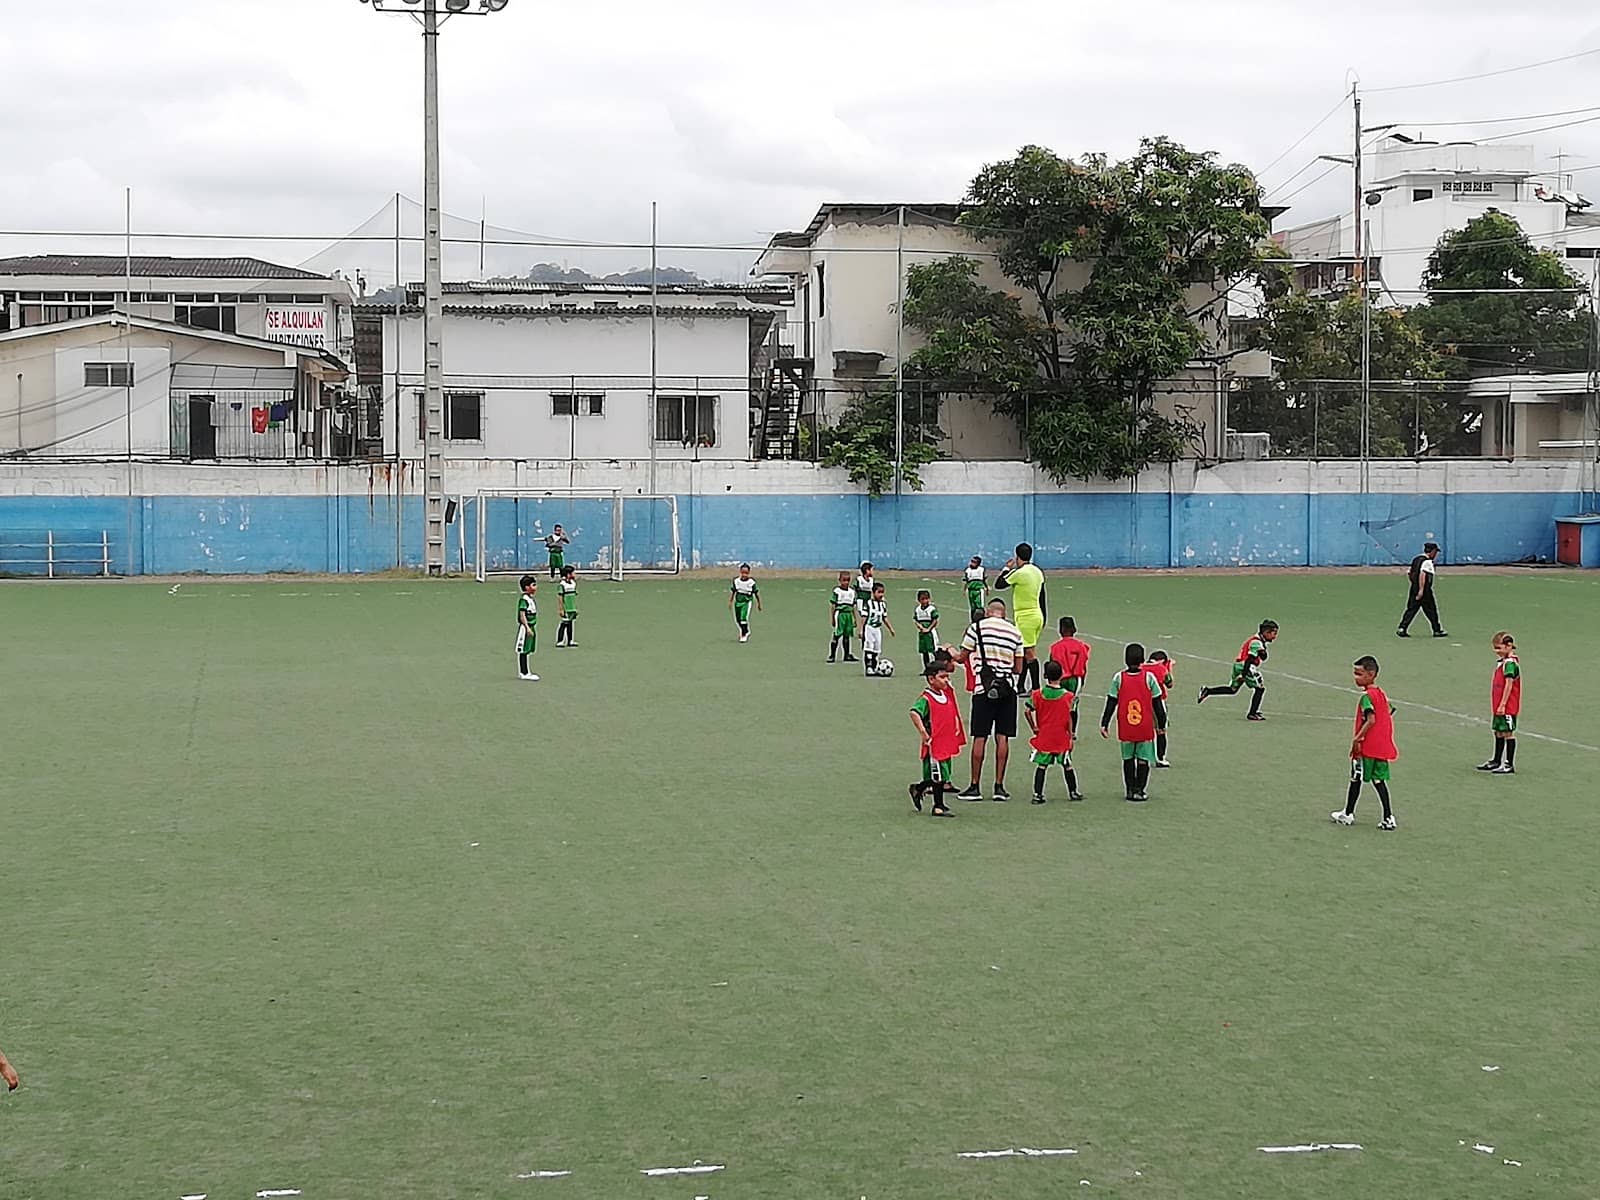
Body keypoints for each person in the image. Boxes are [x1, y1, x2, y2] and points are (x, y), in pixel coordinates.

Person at [952, 598, 1024, 801]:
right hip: (1007, 689)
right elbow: (1018, 668)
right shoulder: (1015, 632)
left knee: (980, 736)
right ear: (1004, 612)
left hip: (983, 688)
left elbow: (961, 657)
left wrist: (949, 650)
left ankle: (975, 786)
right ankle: (999, 787)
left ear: (987, 611)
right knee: (1003, 737)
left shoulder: (976, 628)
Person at [1332, 655, 1398, 830]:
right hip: (1381, 747)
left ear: (1371, 674)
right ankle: (1388, 817)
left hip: (1366, 747)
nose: (1356, 678)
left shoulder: (1366, 697)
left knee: (1356, 778)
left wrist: (1357, 738)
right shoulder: (1381, 695)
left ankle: (1348, 814)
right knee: (1379, 781)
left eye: (1359, 674)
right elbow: (1390, 711)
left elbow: (1371, 720)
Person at [1101, 643, 1167, 802]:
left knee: (1128, 759)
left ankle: (1130, 790)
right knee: (1143, 759)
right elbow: (1157, 703)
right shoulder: (1149, 678)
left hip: (1126, 726)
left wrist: (1104, 723)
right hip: (1144, 726)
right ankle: (1140, 790)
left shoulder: (1118, 678)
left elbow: (1111, 701)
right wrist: (1161, 724)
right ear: (1143, 659)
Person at [909, 660, 964, 818]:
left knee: (943, 774)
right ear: (931, 679)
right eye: (942, 677)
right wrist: (923, 733)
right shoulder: (926, 698)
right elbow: (914, 713)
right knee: (937, 775)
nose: (946, 680)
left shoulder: (945, 695)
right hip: (934, 744)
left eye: (947, 677)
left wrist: (955, 726)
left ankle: (918, 789)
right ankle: (938, 806)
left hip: (945, 741)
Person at [1025, 658, 1083, 804]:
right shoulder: (1069, 697)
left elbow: (1027, 711)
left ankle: (1037, 794)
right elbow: (1070, 717)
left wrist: (1034, 727)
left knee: (1042, 765)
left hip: (1045, 735)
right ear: (1062, 675)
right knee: (1067, 764)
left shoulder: (1037, 695)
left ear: (1045, 675)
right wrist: (1071, 735)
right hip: (1061, 736)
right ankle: (1073, 792)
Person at [1197, 619, 1279, 721]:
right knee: (1260, 689)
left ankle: (1207, 691)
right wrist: (1243, 675)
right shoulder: (1256, 643)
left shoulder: (1258, 641)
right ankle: (1252, 713)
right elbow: (1249, 659)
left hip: (1238, 665)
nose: (1275, 637)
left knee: (1232, 689)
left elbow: (1263, 657)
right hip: (1246, 666)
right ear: (1266, 632)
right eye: (1274, 633)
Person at [995, 543, 1046, 693]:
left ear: (1017, 557)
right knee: (1022, 652)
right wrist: (1044, 616)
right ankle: (1020, 686)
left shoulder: (1019, 573)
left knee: (1029, 654)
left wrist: (1006, 569)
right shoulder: (1037, 571)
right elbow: (1042, 595)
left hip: (1026, 617)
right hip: (1037, 615)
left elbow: (999, 584)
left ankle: (1036, 688)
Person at [1478, 631, 1521, 774]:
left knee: (1508, 732)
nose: (1497, 651)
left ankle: (1509, 764)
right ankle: (1496, 760)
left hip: (1508, 705)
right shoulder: (1502, 662)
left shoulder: (1510, 664)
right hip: (1498, 704)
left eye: (1499, 648)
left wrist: (1503, 703)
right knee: (1498, 731)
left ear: (1509, 646)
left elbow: (1509, 685)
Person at [1048, 616, 1093, 735]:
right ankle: (1072, 732)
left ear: (1060, 630)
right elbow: (1083, 666)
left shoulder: (1055, 647)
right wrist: (1082, 680)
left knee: (1058, 704)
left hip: (1060, 679)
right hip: (1075, 679)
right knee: (1073, 706)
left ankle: (1059, 729)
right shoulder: (1082, 646)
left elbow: (1051, 664)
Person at [1397, 542, 1447, 638]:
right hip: (1424, 590)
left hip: (1414, 588)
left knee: (1411, 609)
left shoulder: (1416, 559)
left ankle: (1402, 628)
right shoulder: (1427, 562)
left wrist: (1414, 584)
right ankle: (1437, 630)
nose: (1436, 555)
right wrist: (1421, 590)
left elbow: (1409, 573)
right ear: (1432, 552)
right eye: (1435, 552)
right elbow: (1423, 575)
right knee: (1431, 610)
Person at [1145, 649, 1174, 767]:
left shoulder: (1141, 667)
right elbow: (1170, 684)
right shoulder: (1161, 669)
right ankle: (1160, 758)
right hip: (1158, 702)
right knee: (1161, 730)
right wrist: (1169, 668)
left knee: (1144, 731)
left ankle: (1143, 756)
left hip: (1141, 702)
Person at [862, 582, 895, 675]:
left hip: (877, 629)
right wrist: (861, 629)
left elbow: (884, 618)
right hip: (869, 628)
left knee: (877, 649)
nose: (881, 594)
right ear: (873, 592)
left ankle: (875, 667)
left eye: (882, 592)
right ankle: (868, 668)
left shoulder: (883, 605)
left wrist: (890, 629)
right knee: (869, 648)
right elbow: (864, 617)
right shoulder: (868, 603)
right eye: (879, 592)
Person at [828, 571, 859, 663]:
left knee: (847, 635)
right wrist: (833, 618)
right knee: (837, 634)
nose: (846, 582)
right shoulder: (837, 591)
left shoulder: (852, 592)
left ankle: (847, 655)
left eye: (848, 580)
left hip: (848, 615)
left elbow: (853, 606)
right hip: (840, 614)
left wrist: (855, 618)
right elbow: (833, 605)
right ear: (839, 580)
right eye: (844, 580)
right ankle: (832, 655)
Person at [515, 574, 540, 682]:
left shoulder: (530, 599)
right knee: (523, 650)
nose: (535, 587)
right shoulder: (524, 600)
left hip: (531, 626)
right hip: (526, 628)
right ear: (527, 587)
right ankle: (523, 672)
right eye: (533, 585)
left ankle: (526, 671)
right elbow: (522, 614)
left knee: (528, 649)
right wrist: (527, 627)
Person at [729, 563, 761, 643]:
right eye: (743, 572)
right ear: (740, 572)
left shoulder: (751, 583)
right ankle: (746, 630)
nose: (744, 575)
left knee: (743, 618)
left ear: (749, 573)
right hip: (738, 602)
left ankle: (743, 635)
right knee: (738, 620)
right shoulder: (736, 581)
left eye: (746, 573)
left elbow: (756, 593)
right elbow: (733, 592)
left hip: (746, 602)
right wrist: (730, 601)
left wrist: (759, 604)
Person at [913, 589, 940, 670]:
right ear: (919, 600)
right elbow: (916, 620)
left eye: (926, 598)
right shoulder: (918, 610)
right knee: (924, 651)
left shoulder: (932, 609)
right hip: (922, 633)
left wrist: (928, 629)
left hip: (930, 633)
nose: (925, 601)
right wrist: (920, 627)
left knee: (933, 650)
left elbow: (935, 620)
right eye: (923, 599)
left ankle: (937, 667)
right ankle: (927, 668)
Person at [555, 565, 579, 648]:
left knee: (570, 624)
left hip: (572, 607)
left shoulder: (573, 583)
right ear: (568, 574)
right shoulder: (562, 584)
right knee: (564, 624)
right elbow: (560, 597)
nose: (575, 574)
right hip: (566, 607)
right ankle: (560, 640)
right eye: (573, 572)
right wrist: (561, 609)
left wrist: (575, 607)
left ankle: (570, 640)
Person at [963, 555, 987, 622]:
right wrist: (965, 590)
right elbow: (967, 581)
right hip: (971, 590)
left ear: (978, 563)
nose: (971, 563)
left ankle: (981, 620)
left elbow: (984, 579)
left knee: (979, 607)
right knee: (972, 607)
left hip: (978, 590)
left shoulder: (981, 570)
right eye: (971, 561)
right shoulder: (968, 570)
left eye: (974, 562)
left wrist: (986, 588)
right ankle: (973, 621)